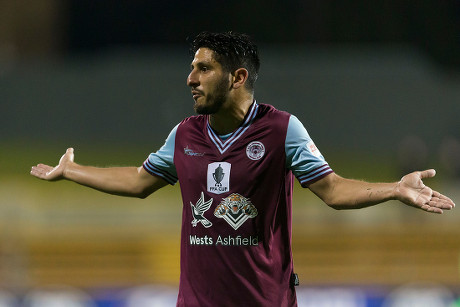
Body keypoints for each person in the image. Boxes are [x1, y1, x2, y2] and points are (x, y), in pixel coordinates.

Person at [30, 31, 455, 307]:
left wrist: (395, 189)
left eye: (203, 68)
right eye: (191, 67)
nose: (190, 78)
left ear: (236, 77)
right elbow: (140, 181)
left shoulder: (283, 130)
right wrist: (72, 171)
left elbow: (333, 189)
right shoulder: (184, 135)